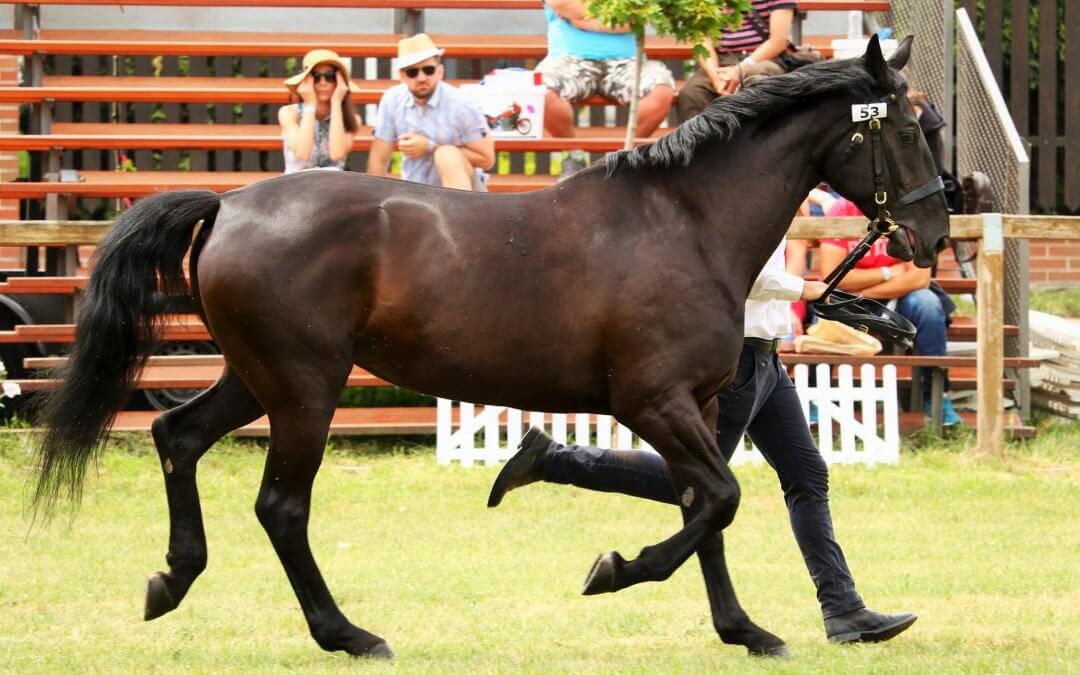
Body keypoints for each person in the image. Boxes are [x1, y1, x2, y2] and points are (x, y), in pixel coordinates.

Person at [488, 239, 918, 645]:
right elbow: (742, 270)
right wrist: (805, 287)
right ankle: (555, 460)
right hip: (738, 360)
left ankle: (843, 609)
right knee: (695, 481)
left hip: (768, 358)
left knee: (806, 476)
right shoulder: (747, 191)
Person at [818, 197, 961, 426]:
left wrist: (864, 292)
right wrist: (888, 272)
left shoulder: (909, 210)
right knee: (825, 307)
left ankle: (936, 397)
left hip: (898, 297)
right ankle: (816, 399)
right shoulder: (842, 209)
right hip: (850, 300)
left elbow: (918, 278)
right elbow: (834, 276)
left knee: (929, 305)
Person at [536, 0, 676, 173]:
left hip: (628, 62)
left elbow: (635, 17)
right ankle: (573, 155)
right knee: (540, 91)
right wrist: (614, 16)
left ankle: (623, 160)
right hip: (567, 60)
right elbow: (563, 4)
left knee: (661, 90)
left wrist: (581, 20)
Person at [368, 34, 495, 191]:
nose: (422, 78)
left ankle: (458, 215)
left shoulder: (462, 104)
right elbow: (379, 160)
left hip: (467, 195)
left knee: (446, 155)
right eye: (412, 72)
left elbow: (487, 159)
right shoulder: (392, 100)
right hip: (416, 193)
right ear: (402, 76)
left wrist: (431, 146)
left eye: (428, 70)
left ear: (440, 72)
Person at [676, 0, 795, 123]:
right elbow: (703, 41)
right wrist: (716, 78)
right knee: (692, 93)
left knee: (756, 78)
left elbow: (778, 42)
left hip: (764, 59)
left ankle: (758, 139)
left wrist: (739, 70)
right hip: (722, 62)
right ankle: (701, 141)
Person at [280, 49, 363, 173]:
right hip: (296, 187)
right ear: (306, 80)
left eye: (330, 77)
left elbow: (337, 154)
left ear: (339, 81)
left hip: (332, 187)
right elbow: (302, 154)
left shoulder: (352, 119)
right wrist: (310, 104)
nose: (323, 82)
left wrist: (336, 103)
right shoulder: (289, 113)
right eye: (316, 77)